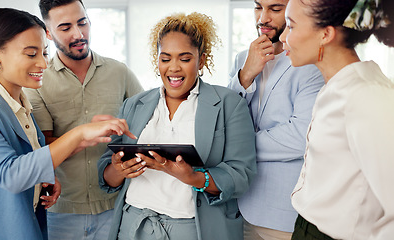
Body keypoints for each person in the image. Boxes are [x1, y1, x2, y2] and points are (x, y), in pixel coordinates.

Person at [0, 8, 135, 239]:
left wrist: (44, 179)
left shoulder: (21, 107)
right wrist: (80, 133)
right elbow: (9, 174)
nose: (43, 63)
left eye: (44, 52)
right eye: (31, 54)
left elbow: (28, 161)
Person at [98, 12, 257, 240]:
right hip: (133, 226)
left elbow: (242, 175)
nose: (173, 68)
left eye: (184, 59)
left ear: (201, 60)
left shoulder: (228, 104)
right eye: (165, 59)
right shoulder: (134, 105)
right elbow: (106, 174)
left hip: (192, 229)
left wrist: (193, 177)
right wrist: (118, 170)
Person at [24, 0, 144, 239]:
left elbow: (149, 124)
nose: (79, 34)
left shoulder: (119, 72)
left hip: (118, 206)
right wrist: (87, 132)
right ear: (48, 33)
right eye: (66, 27)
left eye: (82, 23)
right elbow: (42, 147)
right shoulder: (38, 81)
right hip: (61, 212)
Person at [279, 0, 394, 239]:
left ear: (325, 34)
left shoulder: (366, 97)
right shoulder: (337, 87)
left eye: (291, 26)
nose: (282, 37)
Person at [227, 0, 323, 239]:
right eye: (258, 7)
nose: (263, 18)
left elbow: (301, 137)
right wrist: (246, 75)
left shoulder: (311, 63)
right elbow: (223, 120)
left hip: (286, 214)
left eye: (275, 9)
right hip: (240, 206)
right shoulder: (243, 59)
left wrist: (237, 145)